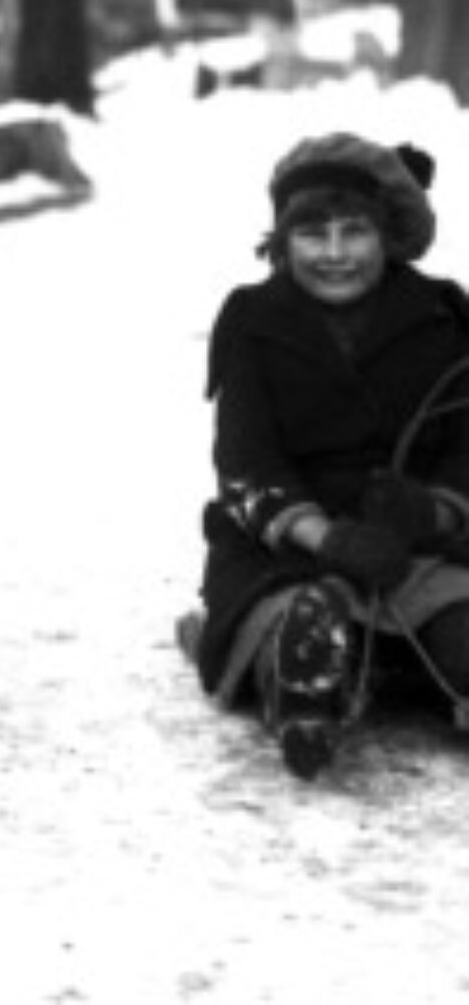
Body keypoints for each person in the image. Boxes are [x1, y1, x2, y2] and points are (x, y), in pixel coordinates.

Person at [186, 131, 469, 780]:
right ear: (283, 243)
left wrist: (433, 512)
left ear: (387, 236)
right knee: (293, 621)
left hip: (419, 550)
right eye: (315, 235)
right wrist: (326, 536)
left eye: (354, 233)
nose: (336, 254)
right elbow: (245, 469)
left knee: (462, 634)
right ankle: (304, 693)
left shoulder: (444, 318)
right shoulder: (255, 323)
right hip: (288, 552)